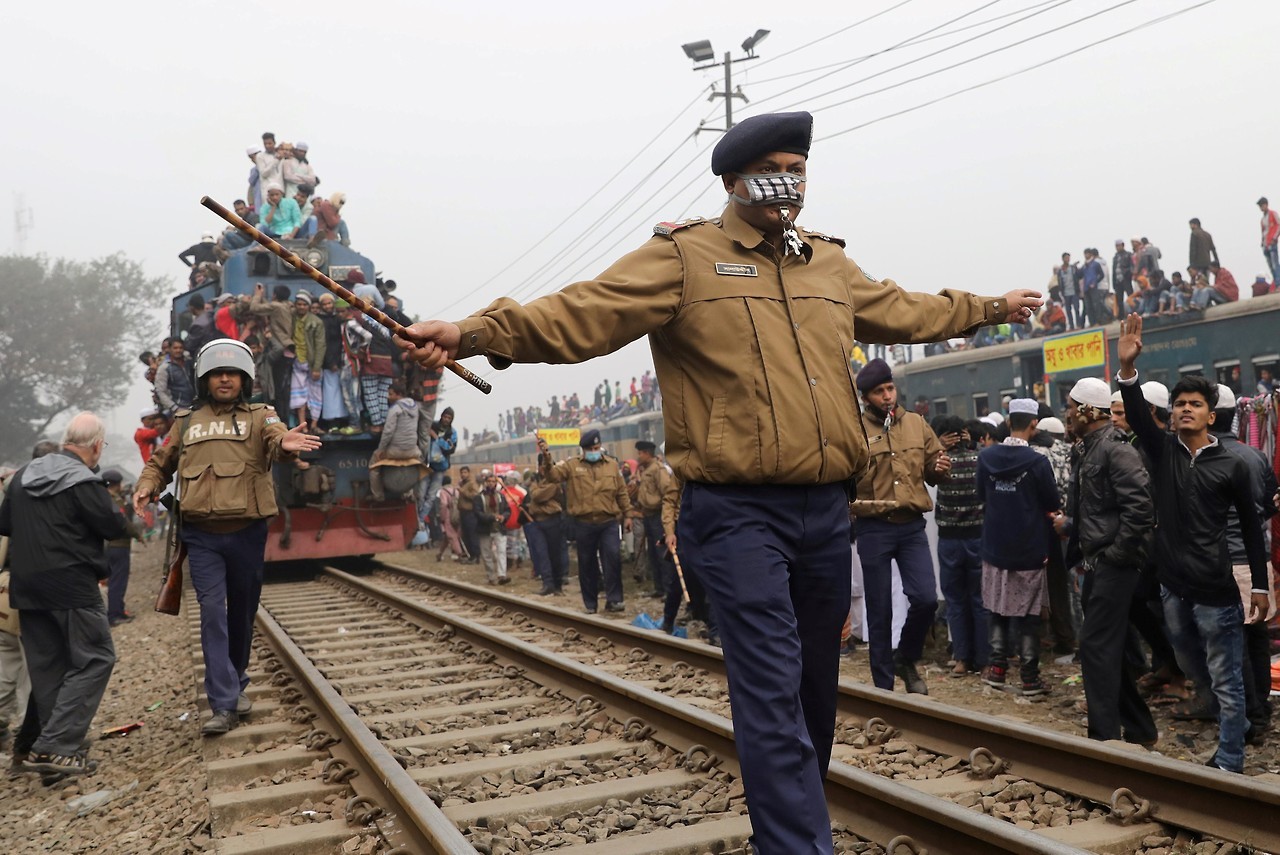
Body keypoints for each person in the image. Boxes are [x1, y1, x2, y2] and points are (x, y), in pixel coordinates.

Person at [392, 111, 1040, 854]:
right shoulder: (685, 258)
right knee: (769, 692)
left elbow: (907, 308)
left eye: (799, 169)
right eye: (773, 168)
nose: (789, 182)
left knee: (812, 696)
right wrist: (473, 331)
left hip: (828, 513)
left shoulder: (827, 265)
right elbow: (584, 311)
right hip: (735, 515)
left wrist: (991, 307)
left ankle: (790, 831)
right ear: (733, 180)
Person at [133, 340, 320, 735]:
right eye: (217, 373)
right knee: (212, 614)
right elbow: (161, 461)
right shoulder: (186, 421)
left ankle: (237, 681)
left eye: (232, 373)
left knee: (242, 613)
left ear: (244, 379)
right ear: (204, 378)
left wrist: (286, 444)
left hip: (247, 533)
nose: (224, 378)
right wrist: (147, 484)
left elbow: (277, 436)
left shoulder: (261, 416)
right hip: (201, 535)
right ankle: (222, 703)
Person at [1116, 315, 1269, 773]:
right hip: (1173, 588)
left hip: (1216, 590)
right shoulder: (1163, 453)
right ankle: (1234, 721)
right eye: (1180, 403)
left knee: (1225, 678)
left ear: (1210, 414)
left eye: (1195, 404)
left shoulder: (1232, 466)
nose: (1185, 409)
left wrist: (1258, 586)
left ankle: (1230, 762)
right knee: (1191, 664)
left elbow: (1250, 525)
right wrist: (1128, 370)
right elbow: (1140, 418)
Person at [0, 413, 126, 778]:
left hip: (26, 586)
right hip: (71, 584)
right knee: (96, 658)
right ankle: (57, 747)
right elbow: (112, 525)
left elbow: (4, 523)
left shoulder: (23, 476)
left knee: (49, 669)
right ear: (97, 445)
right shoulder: (83, 480)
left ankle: (40, 752)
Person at [1053, 378, 1158, 746]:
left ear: (1086, 410)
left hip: (1114, 563)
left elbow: (1140, 509)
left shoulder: (1116, 450)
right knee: (1106, 649)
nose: (1066, 414)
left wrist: (1116, 554)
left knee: (1096, 647)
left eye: (1070, 406)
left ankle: (1104, 739)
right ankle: (1140, 729)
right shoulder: (1087, 449)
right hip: (1097, 562)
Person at [854, 358, 951, 695]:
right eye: (879, 391)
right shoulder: (854, 431)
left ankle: (905, 658)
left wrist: (940, 467)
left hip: (911, 527)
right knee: (879, 611)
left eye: (890, 388)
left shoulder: (917, 424)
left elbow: (934, 470)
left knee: (925, 599)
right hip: (873, 527)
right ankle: (884, 689)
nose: (887, 396)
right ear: (866, 397)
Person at [975, 399, 1059, 696]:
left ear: (1009, 422)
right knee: (1029, 614)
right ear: (1033, 426)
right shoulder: (1038, 462)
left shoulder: (986, 457)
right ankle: (1029, 678)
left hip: (994, 545)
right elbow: (1052, 502)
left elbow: (981, 494)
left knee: (996, 608)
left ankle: (996, 670)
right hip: (1029, 548)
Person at [1211, 385, 1278, 743]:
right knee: (1258, 638)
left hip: (1225, 561)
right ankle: (1262, 711)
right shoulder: (1255, 457)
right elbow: (1270, 504)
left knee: (1231, 643)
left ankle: (1249, 716)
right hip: (1258, 560)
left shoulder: (1205, 457)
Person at [537, 429, 631, 614]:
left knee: (612, 558)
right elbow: (552, 476)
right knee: (587, 564)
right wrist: (546, 455)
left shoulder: (612, 465)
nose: (595, 451)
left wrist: (628, 515)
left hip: (609, 521)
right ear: (584, 449)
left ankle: (614, 600)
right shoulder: (571, 465)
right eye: (591, 448)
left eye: (597, 447)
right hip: (584, 522)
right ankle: (590, 603)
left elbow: (622, 492)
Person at [931, 414, 988, 677]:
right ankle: (984, 658)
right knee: (979, 599)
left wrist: (937, 445)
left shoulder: (940, 462)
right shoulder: (980, 459)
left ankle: (962, 658)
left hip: (949, 540)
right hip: (978, 538)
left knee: (955, 600)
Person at [634, 440, 682, 632]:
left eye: (640, 453)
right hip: (648, 515)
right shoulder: (647, 469)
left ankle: (665, 588)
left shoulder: (659, 470)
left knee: (663, 555)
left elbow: (667, 495)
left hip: (659, 517)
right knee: (653, 555)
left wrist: (667, 524)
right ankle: (659, 587)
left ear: (647, 453)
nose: (638, 456)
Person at [368, 380, 422, 502]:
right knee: (416, 464)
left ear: (399, 394)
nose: (388, 397)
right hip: (413, 451)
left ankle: (378, 496)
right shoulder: (415, 407)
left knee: (373, 465)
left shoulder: (395, 409)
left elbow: (388, 432)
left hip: (396, 451)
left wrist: (380, 450)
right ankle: (408, 493)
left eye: (391, 394)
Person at [101, 469, 142, 627]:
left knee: (114, 579)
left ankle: (117, 610)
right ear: (116, 484)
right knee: (118, 580)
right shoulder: (114, 500)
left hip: (110, 545)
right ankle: (115, 614)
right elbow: (124, 521)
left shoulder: (102, 498)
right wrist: (137, 535)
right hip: (118, 545)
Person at [249, 283, 296, 419]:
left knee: (276, 390)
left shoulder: (276, 307)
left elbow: (255, 308)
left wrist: (258, 296)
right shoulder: (288, 306)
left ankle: (280, 418)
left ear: (275, 295)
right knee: (283, 388)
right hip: (288, 349)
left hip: (279, 348)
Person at [523, 468, 567, 594]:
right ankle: (547, 583)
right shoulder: (536, 480)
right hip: (537, 521)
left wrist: (538, 492)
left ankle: (557, 585)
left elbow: (537, 496)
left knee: (555, 554)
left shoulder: (555, 483)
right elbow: (535, 496)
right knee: (542, 554)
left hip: (553, 520)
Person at [289, 290, 325, 432]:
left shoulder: (316, 322)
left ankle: (314, 425)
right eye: (299, 304)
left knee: (315, 393)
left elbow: (321, 345)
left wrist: (317, 367)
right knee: (299, 393)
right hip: (297, 361)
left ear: (309, 306)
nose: (302, 307)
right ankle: (303, 425)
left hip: (312, 363)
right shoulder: (292, 318)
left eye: (304, 304)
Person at [473, 470, 511, 585]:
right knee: (486, 554)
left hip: (499, 527)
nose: (491, 483)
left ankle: (502, 575)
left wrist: (504, 517)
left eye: (493, 481)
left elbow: (507, 510)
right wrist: (491, 517)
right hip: (485, 529)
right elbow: (478, 513)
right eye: (489, 481)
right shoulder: (479, 498)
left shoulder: (500, 496)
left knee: (502, 551)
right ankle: (491, 576)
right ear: (485, 482)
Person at [154, 337, 194, 416]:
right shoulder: (164, 368)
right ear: (169, 349)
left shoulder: (189, 362)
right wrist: (175, 408)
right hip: (180, 407)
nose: (178, 350)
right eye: (175, 348)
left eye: (180, 348)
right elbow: (161, 391)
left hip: (196, 405)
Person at [456, 466, 482, 563]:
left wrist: (463, 491)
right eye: (462, 472)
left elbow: (475, 496)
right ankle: (471, 555)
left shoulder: (472, 484)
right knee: (466, 535)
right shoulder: (462, 483)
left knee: (472, 535)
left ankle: (476, 556)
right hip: (463, 512)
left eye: (465, 472)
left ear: (469, 473)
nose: (463, 474)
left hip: (470, 513)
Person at [1258, 197, 1280, 287]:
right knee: (1271, 266)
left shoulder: (1273, 214)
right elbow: (1263, 232)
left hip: (1272, 243)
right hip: (1266, 245)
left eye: (1261, 205)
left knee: (1275, 264)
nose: (1260, 207)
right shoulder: (1262, 219)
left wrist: (1274, 238)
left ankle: (1279, 284)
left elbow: (1279, 225)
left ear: (1266, 204)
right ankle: (1276, 283)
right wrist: (1262, 242)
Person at [1113, 239, 1134, 312]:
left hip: (1126, 279)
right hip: (1118, 281)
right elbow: (1114, 270)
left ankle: (1134, 312)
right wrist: (1114, 282)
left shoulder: (1128, 254)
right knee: (1119, 299)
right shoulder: (1115, 257)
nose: (1117, 247)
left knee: (1130, 296)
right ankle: (1121, 316)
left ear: (1123, 245)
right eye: (1116, 246)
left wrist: (1128, 273)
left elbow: (1131, 266)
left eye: (1119, 246)